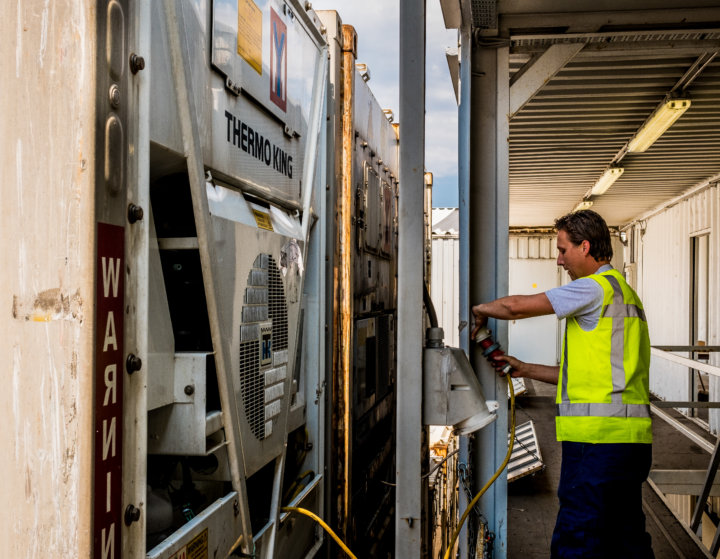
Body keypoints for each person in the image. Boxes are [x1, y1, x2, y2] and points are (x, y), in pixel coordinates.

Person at [470, 209, 653, 559]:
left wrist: (480, 309)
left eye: (563, 249)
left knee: (578, 538)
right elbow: (588, 376)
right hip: (630, 446)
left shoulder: (592, 288)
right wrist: (524, 368)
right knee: (626, 539)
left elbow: (516, 307)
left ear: (585, 247)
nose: (560, 259)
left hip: (595, 444)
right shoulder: (626, 296)